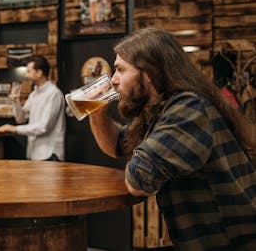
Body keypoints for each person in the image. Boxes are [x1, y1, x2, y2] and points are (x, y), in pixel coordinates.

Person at [88, 28, 256, 250]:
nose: (113, 80)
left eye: (120, 70)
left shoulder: (189, 110)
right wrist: (96, 112)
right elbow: (117, 145)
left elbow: (138, 181)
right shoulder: (161, 111)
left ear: (149, 73)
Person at [0, 55, 65, 161]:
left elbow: (43, 127)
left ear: (39, 73)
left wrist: (14, 129)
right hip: (34, 154)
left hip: (49, 155)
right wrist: (15, 100)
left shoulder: (54, 94)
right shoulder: (34, 94)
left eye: (28, 71)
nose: (26, 75)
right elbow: (21, 119)